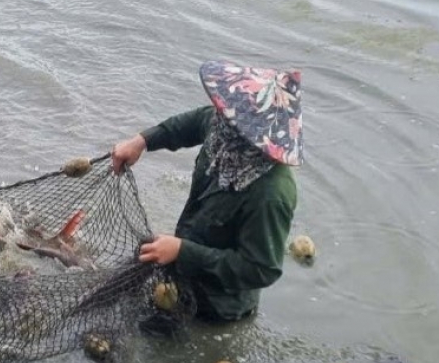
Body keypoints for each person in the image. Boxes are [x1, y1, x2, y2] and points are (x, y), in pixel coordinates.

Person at [108, 60, 303, 322]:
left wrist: (183, 251)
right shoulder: (225, 130)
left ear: (252, 135)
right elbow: (192, 123)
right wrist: (142, 141)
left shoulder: (271, 194)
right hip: (184, 265)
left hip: (219, 304)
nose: (219, 118)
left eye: (228, 118)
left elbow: (260, 270)